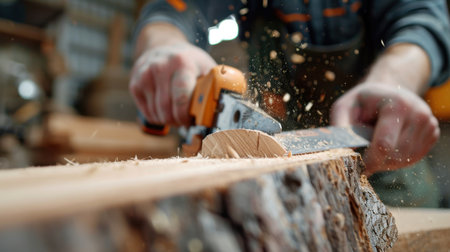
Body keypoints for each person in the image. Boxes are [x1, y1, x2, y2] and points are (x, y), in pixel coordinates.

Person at [130, 0, 450, 206]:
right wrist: (164, 44)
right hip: (272, 181)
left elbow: (423, 22)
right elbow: (169, 10)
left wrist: (393, 81)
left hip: (380, 163)